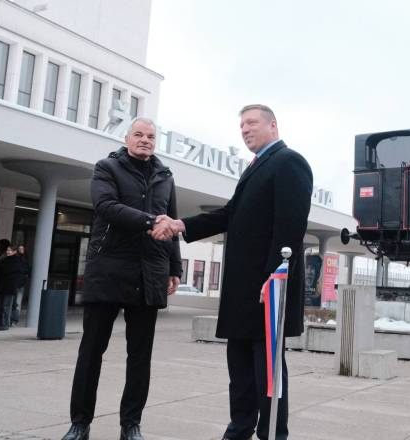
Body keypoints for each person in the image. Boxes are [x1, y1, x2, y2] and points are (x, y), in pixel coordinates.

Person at [152, 104, 313, 440]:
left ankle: (272, 434)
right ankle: (239, 429)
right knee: (239, 369)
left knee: (266, 370)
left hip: (266, 289)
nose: (245, 129)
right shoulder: (255, 168)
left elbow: (289, 228)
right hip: (242, 291)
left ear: (273, 125)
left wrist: (275, 277)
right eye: (241, 125)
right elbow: (230, 214)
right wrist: (183, 224)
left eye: (251, 123)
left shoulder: (289, 162)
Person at [61, 118, 182, 440]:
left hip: (149, 272)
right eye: (139, 135)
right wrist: (149, 221)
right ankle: (80, 423)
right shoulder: (107, 168)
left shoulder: (165, 177)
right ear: (127, 138)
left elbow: (170, 226)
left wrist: (175, 268)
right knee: (91, 351)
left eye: (151, 136)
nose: (145, 140)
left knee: (139, 357)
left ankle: (131, 425)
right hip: (109, 270)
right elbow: (106, 206)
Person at [0, 244, 26, 331]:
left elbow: (12, 272)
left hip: (10, 287)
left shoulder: (17, 261)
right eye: (7, 250)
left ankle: (5, 324)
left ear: (14, 251)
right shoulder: (4, 260)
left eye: (10, 250)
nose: (8, 252)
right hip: (1, 285)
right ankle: (0, 322)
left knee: (6, 306)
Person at [10, 244, 31, 325]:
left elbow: (27, 271)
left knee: (17, 302)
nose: (21, 250)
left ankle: (14, 320)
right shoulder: (17, 259)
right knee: (14, 302)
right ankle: (12, 319)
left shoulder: (25, 259)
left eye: (22, 248)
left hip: (20, 283)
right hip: (16, 282)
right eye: (19, 249)